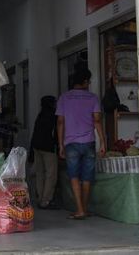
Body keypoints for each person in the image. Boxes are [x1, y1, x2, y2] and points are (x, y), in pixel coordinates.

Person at [57, 68, 106, 220]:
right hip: (89, 142)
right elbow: (97, 120)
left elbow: (60, 122)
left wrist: (60, 144)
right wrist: (103, 142)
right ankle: (83, 208)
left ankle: (80, 210)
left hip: (71, 143)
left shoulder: (64, 98)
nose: (89, 84)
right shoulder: (93, 98)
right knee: (87, 177)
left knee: (74, 176)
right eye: (89, 81)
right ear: (85, 81)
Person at [30, 95, 58, 209]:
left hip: (37, 147)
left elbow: (34, 133)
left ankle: (40, 198)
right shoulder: (53, 116)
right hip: (48, 147)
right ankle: (46, 201)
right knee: (51, 175)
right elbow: (55, 132)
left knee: (40, 173)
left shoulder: (40, 115)